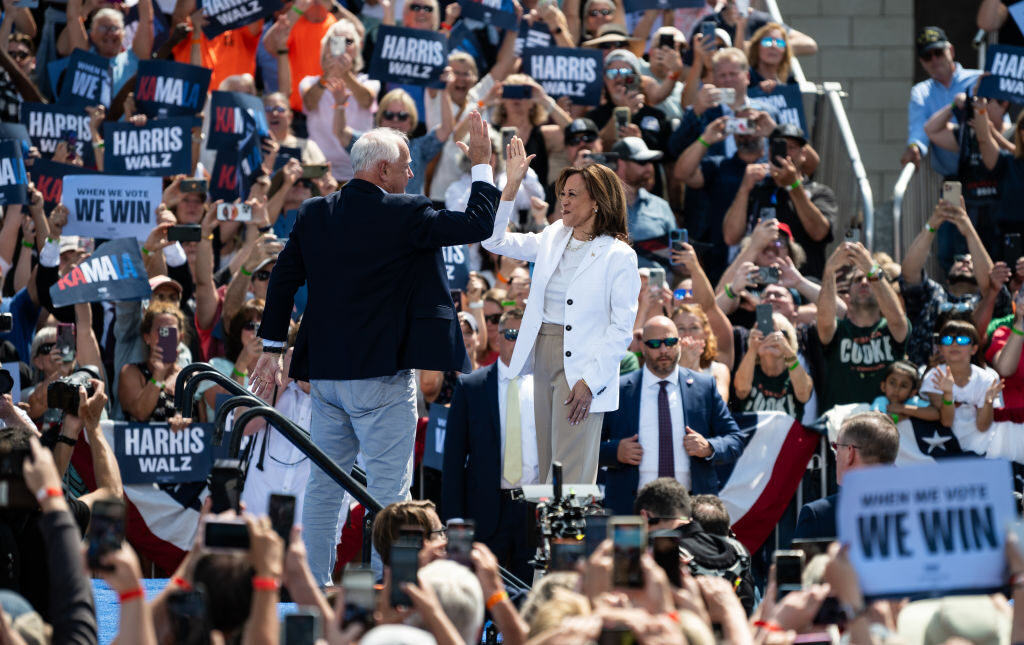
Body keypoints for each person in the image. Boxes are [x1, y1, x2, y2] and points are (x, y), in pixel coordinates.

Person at [250, 113, 501, 582]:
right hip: (382, 380)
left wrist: (272, 346)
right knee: (391, 496)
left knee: (324, 487)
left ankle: (316, 587)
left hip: (325, 377)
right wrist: (483, 166)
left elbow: (282, 279)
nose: (410, 174)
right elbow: (478, 225)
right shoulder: (404, 211)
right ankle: (394, 589)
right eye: (405, 166)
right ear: (382, 169)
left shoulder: (314, 213)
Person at [481, 150, 640, 485]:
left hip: (584, 367)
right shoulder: (553, 234)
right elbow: (494, 241)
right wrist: (512, 184)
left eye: (572, 194)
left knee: (572, 474)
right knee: (545, 467)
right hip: (542, 354)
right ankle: (546, 538)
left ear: (596, 201)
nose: (564, 202)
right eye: (562, 194)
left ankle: (573, 538)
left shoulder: (620, 255)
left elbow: (622, 328)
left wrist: (590, 382)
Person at [599, 316, 744, 516]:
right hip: (631, 507)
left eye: (670, 342)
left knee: (692, 550)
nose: (663, 350)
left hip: (692, 507)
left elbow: (735, 440)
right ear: (642, 345)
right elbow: (589, 447)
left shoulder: (704, 387)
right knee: (628, 550)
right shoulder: (619, 389)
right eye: (655, 344)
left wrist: (709, 448)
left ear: (679, 343)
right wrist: (615, 451)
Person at [442, 309, 536, 582]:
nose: (518, 342)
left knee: (527, 596)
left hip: (532, 510)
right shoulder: (471, 386)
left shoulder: (548, 388)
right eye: (511, 335)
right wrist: (454, 519)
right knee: (481, 593)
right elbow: (453, 458)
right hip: (485, 510)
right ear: (498, 339)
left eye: (525, 335)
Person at [722, 124, 837, 279]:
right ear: (769, 151)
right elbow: (731, 237)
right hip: (761, 282)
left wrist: (793, 185)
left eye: (791, 147)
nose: (786, 153)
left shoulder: (820, 192)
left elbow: (819, 233)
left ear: (803, 153)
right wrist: (744, 189)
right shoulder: (757, 190)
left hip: (804, 281)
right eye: (780, 146)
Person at [899, 197, 994, 366]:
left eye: (972, 260)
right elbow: (909, 273)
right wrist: (933, 223)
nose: (966, 262)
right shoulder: (931, 294)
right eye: (960, 259)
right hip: (924, 382)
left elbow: (991, 283)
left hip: (970, 385)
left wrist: (968, 229)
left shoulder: (987, 299)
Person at [816, 241, 910, 411]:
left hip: (883, 424)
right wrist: (829, 270)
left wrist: (871, 268)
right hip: (841, 426)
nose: (865, 282)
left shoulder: (891, 328)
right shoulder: (838, 329)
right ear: (848, 293)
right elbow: (824, 319)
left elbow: (897, 317)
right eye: (858, 279)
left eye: (870, 279)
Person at [794, 411, 899, 539]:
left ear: (850, 453)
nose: (836, 455)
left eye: (836, 447)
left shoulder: (817, 516)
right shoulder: (915, 510)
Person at [902, 26, 983, 171]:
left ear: (951, 51)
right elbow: (920, 128)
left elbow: (1000, 122)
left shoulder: (979, 79)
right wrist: (914, 146)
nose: (934, 60)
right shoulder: (920, 92)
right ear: (921, 61)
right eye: (927, 56)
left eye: (938, 52)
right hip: (952, 179)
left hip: (989, 174)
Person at [920, 320, 1004, 456]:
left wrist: (988, 401)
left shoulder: (987, 379)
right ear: (940, 348)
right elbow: (947, 422)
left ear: (974, 349)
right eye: (947, 340)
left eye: (962, 339)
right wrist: (948, 393)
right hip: (945, 450)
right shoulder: (934, 376)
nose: (954, 343)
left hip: (980, 449)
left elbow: (983, 427)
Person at [732, 311, 812, 419]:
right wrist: (752, 349)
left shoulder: (795, 372)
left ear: (790, 339)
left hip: (787, 435)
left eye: (781, 333)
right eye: (765, 332)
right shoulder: (750, 371)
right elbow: (741, 390)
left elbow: (803, 393)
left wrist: (787, 350)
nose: (771, 338)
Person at [611, 137, 675, 270]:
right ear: (620, 164)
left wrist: (684, 262)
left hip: (657, 288)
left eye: (650, 162)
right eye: (642, 162)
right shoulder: (597, 205)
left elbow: (677, 260)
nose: (649, 167)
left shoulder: (661, 206)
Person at [870, 360, 937, 423]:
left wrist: (902, 409)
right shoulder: (881, 401)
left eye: (903, 386)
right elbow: (878, 421)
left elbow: (936, 414)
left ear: (912, 393)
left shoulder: (913, 401)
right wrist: (900, 417)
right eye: (892, 383)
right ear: (883, 386)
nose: (896, 389)